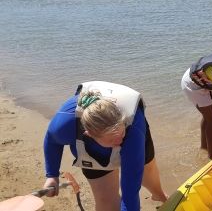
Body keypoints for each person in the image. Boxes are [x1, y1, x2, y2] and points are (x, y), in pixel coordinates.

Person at [42, 81, 168, 211]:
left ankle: (159, 195)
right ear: (89, 134)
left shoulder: (131, 132)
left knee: (146, 173)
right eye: (113, 139)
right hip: (90, 145)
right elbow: (52, 142)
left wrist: (120, 135)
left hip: (132, 129)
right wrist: (52, 175)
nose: (120, 141)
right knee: (106, 200)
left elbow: (130, 194)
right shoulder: (64, 126)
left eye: (121, 133)